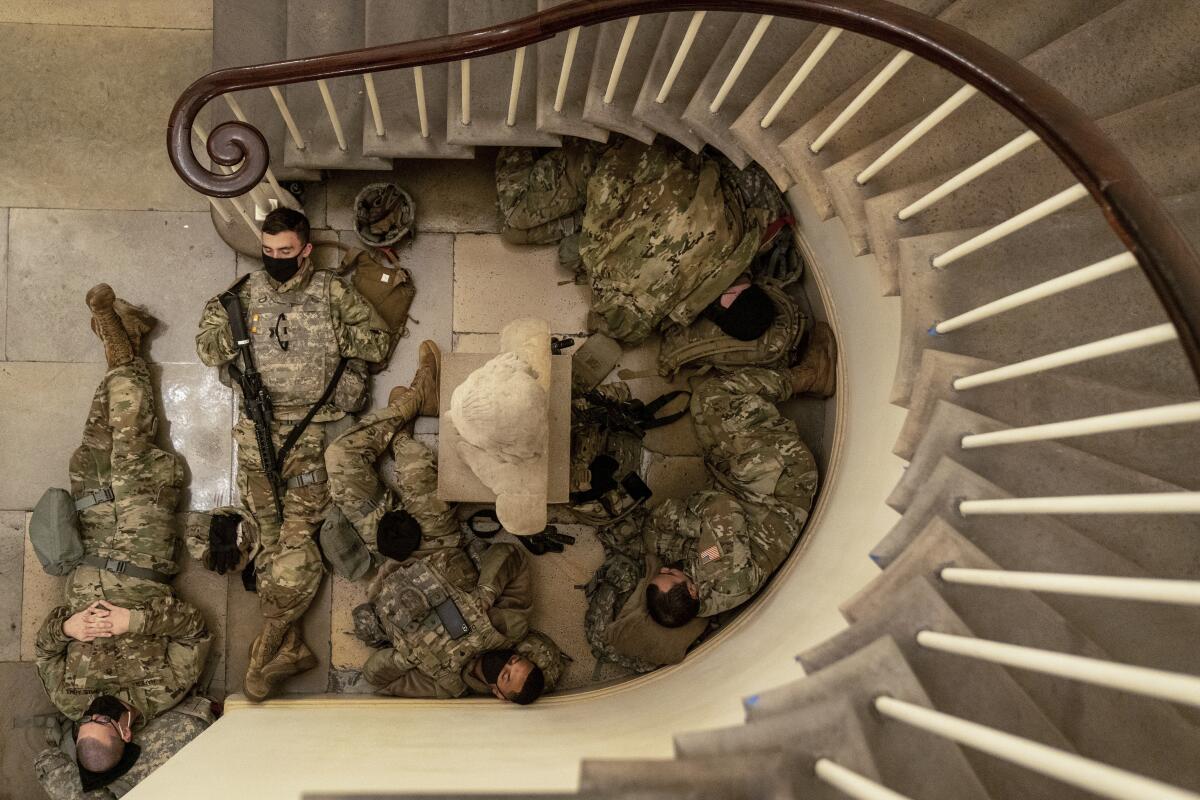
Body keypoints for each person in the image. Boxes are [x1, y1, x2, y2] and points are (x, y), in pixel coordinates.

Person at [194, 207, 390, 702]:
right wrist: (235, 337)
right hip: (259, 430)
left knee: (295, 545)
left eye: (286, 252)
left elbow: (379, 342)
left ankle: (270, 647)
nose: (276, 259)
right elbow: (207, 347)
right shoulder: (241, 298)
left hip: (312, 432)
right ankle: (291, 647)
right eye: (268, 251)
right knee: (263, 540)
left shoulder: (332, 292)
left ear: (306, 250)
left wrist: (330, 336)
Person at [34, 284, 211, 791]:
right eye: (106, 720)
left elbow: (46, 648)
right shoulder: (164, 692)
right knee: (131, 441)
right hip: (141, 546)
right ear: (127, 734)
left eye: (88, 718)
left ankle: (125, 345)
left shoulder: (70, 698)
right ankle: (116, 336)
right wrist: (136, 618)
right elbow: (195, 631)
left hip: (88, 539)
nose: (97, 710)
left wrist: (68, 631)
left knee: (93, 445)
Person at [327, 344, 562, 702]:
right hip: (437, 542)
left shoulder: (444, 683)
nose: (508, 661)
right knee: (415, 463)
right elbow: (511, 558)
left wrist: (406, 657)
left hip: (385, 561)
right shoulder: (505, 627)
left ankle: (409, 409)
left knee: (339, 457)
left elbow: (377, 677)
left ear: (499, 693)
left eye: (508, 674)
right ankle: (408, 417)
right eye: (517, 661)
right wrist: (486, 593)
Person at [635, 325, 837, 630]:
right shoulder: (720, 573)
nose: (666, 568)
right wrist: (687, 521)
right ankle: (809, 375)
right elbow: (719, 507)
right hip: (785, 481)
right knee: (714, 395)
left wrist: (686, 528)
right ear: (689, 590)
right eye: (670, 575)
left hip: (752, 496)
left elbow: (664, 538)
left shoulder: (699, 586)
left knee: (701, 411)